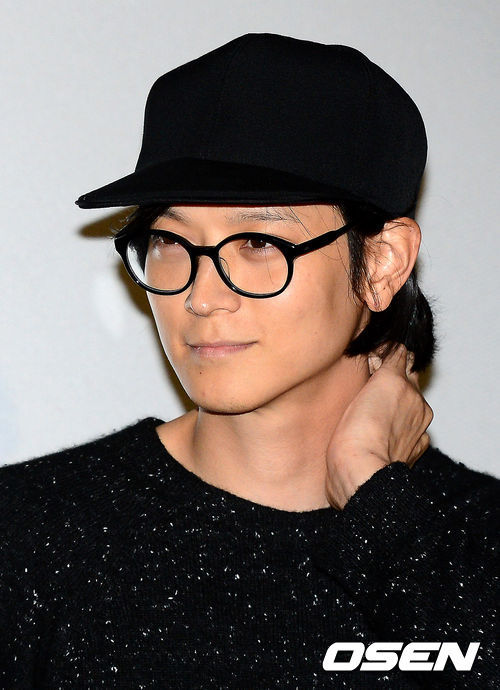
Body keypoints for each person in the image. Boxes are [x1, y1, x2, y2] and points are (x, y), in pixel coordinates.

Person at [0, 32, 497, 689]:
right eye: (170, 241)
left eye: (259, 242)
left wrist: (377, 511)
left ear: (382, 263)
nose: (202, 296)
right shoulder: (30, 534)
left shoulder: (471, 546)